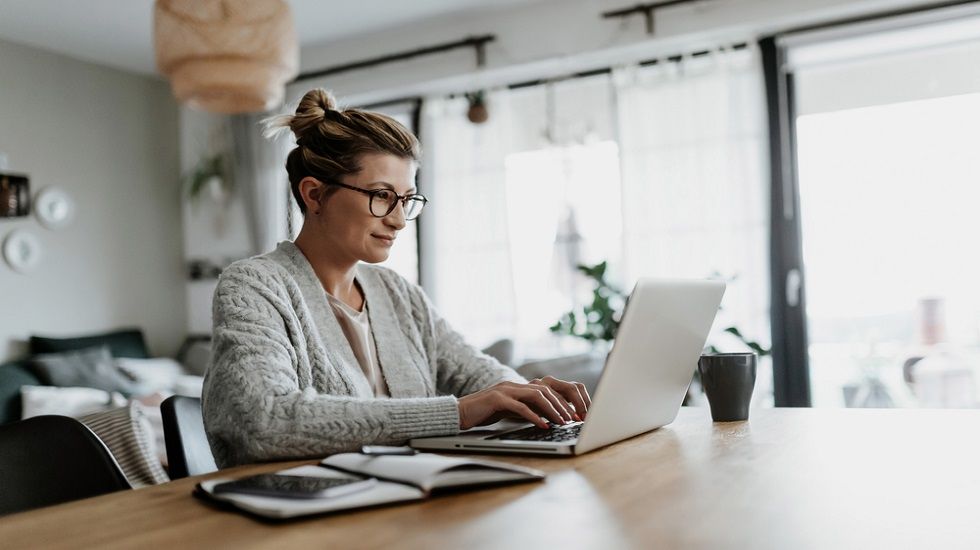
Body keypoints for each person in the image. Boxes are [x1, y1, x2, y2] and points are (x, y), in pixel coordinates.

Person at [202, 88, 591, 468]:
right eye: (382, 196)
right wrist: (458, 413)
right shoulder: (254, 286)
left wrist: (529, 396)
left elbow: (478, 375)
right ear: (314, 195)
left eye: (407, 199)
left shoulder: (398, 294)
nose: (399, 220)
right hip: (301, 513)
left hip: (406, 502)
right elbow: (265, 421)